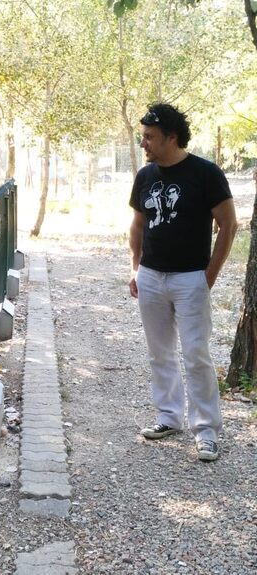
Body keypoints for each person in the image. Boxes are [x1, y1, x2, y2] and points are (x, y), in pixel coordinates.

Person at [128, 102, 237, 462]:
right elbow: (138, 225)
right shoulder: (145, 176)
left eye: (150, 137)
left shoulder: (205, 174)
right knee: (159, 352)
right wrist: (135, 267)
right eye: (143, 136)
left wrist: (208, 277)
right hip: (151, 277)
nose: (144, 143)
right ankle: (168, 416)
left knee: (196, 355)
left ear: (171, 138)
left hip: (191, 278)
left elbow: (229, 225)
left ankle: (206, 431)